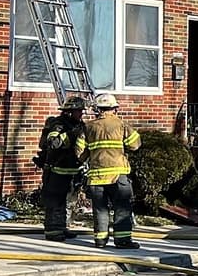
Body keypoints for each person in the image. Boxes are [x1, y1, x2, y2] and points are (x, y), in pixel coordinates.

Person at [74, 93, 142, 249]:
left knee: (100, 209)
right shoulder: (122, 125)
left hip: (96, 176)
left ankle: (100, 240)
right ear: (115, 108)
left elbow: (79, 153)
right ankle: (123, 240)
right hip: (118, 176)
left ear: (98, 109)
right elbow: (135, 145)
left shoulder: (88, 127)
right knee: (122, 207)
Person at [35, 96, 87, 241]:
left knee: (67, 203)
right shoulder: (58, 124)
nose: (81, 114)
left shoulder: (79, 124)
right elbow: (53, 143)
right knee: (55, 202)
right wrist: (72, 135)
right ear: (69, 112)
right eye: (78, 111)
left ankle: (62, 227)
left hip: (72, 171)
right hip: (56, 171)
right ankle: (53, 231)